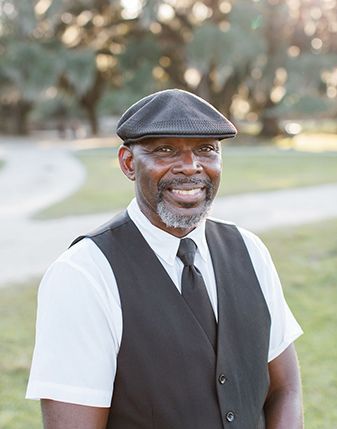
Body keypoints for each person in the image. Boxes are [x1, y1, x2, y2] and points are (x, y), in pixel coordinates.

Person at [26, 89, 304, 429]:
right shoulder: (82, 276)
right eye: (165, 150)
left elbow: (284, 390)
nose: (190, 167)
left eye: (206, 149)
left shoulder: (250, 250)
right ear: (128, 163)